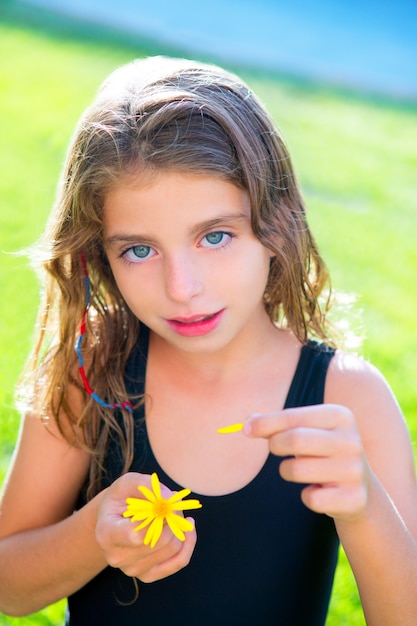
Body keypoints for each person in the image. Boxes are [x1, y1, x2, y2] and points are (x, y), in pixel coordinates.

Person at [0, 55, 416, 626]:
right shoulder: (94, 371)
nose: (182, 289)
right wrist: (91, 537)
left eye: (215, 236)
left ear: (277, 223)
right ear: (101, 255)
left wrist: (366, 506)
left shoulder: (346, 398)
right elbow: (9, 590)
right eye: (139, 250)